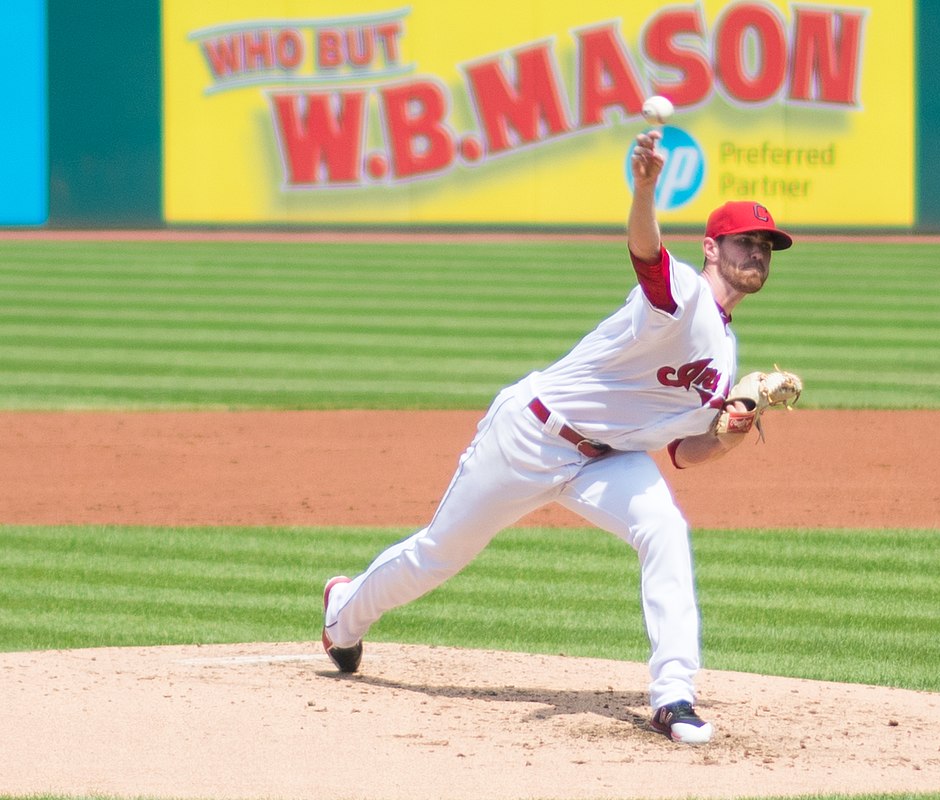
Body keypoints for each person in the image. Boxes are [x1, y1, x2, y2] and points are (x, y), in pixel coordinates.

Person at [321, 128, 793, 744]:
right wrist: (645, 187)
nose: (757, 253)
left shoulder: (727, 356)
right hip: (531, 435)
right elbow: (646, 253)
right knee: (440, 553)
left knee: (665, 528)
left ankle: (674, 697)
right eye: (745, 241)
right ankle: (342, 614)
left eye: (766, 246)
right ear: (711, 247)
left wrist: (733, 431)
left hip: (606, 461)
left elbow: (683, 451)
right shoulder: (681, 294)